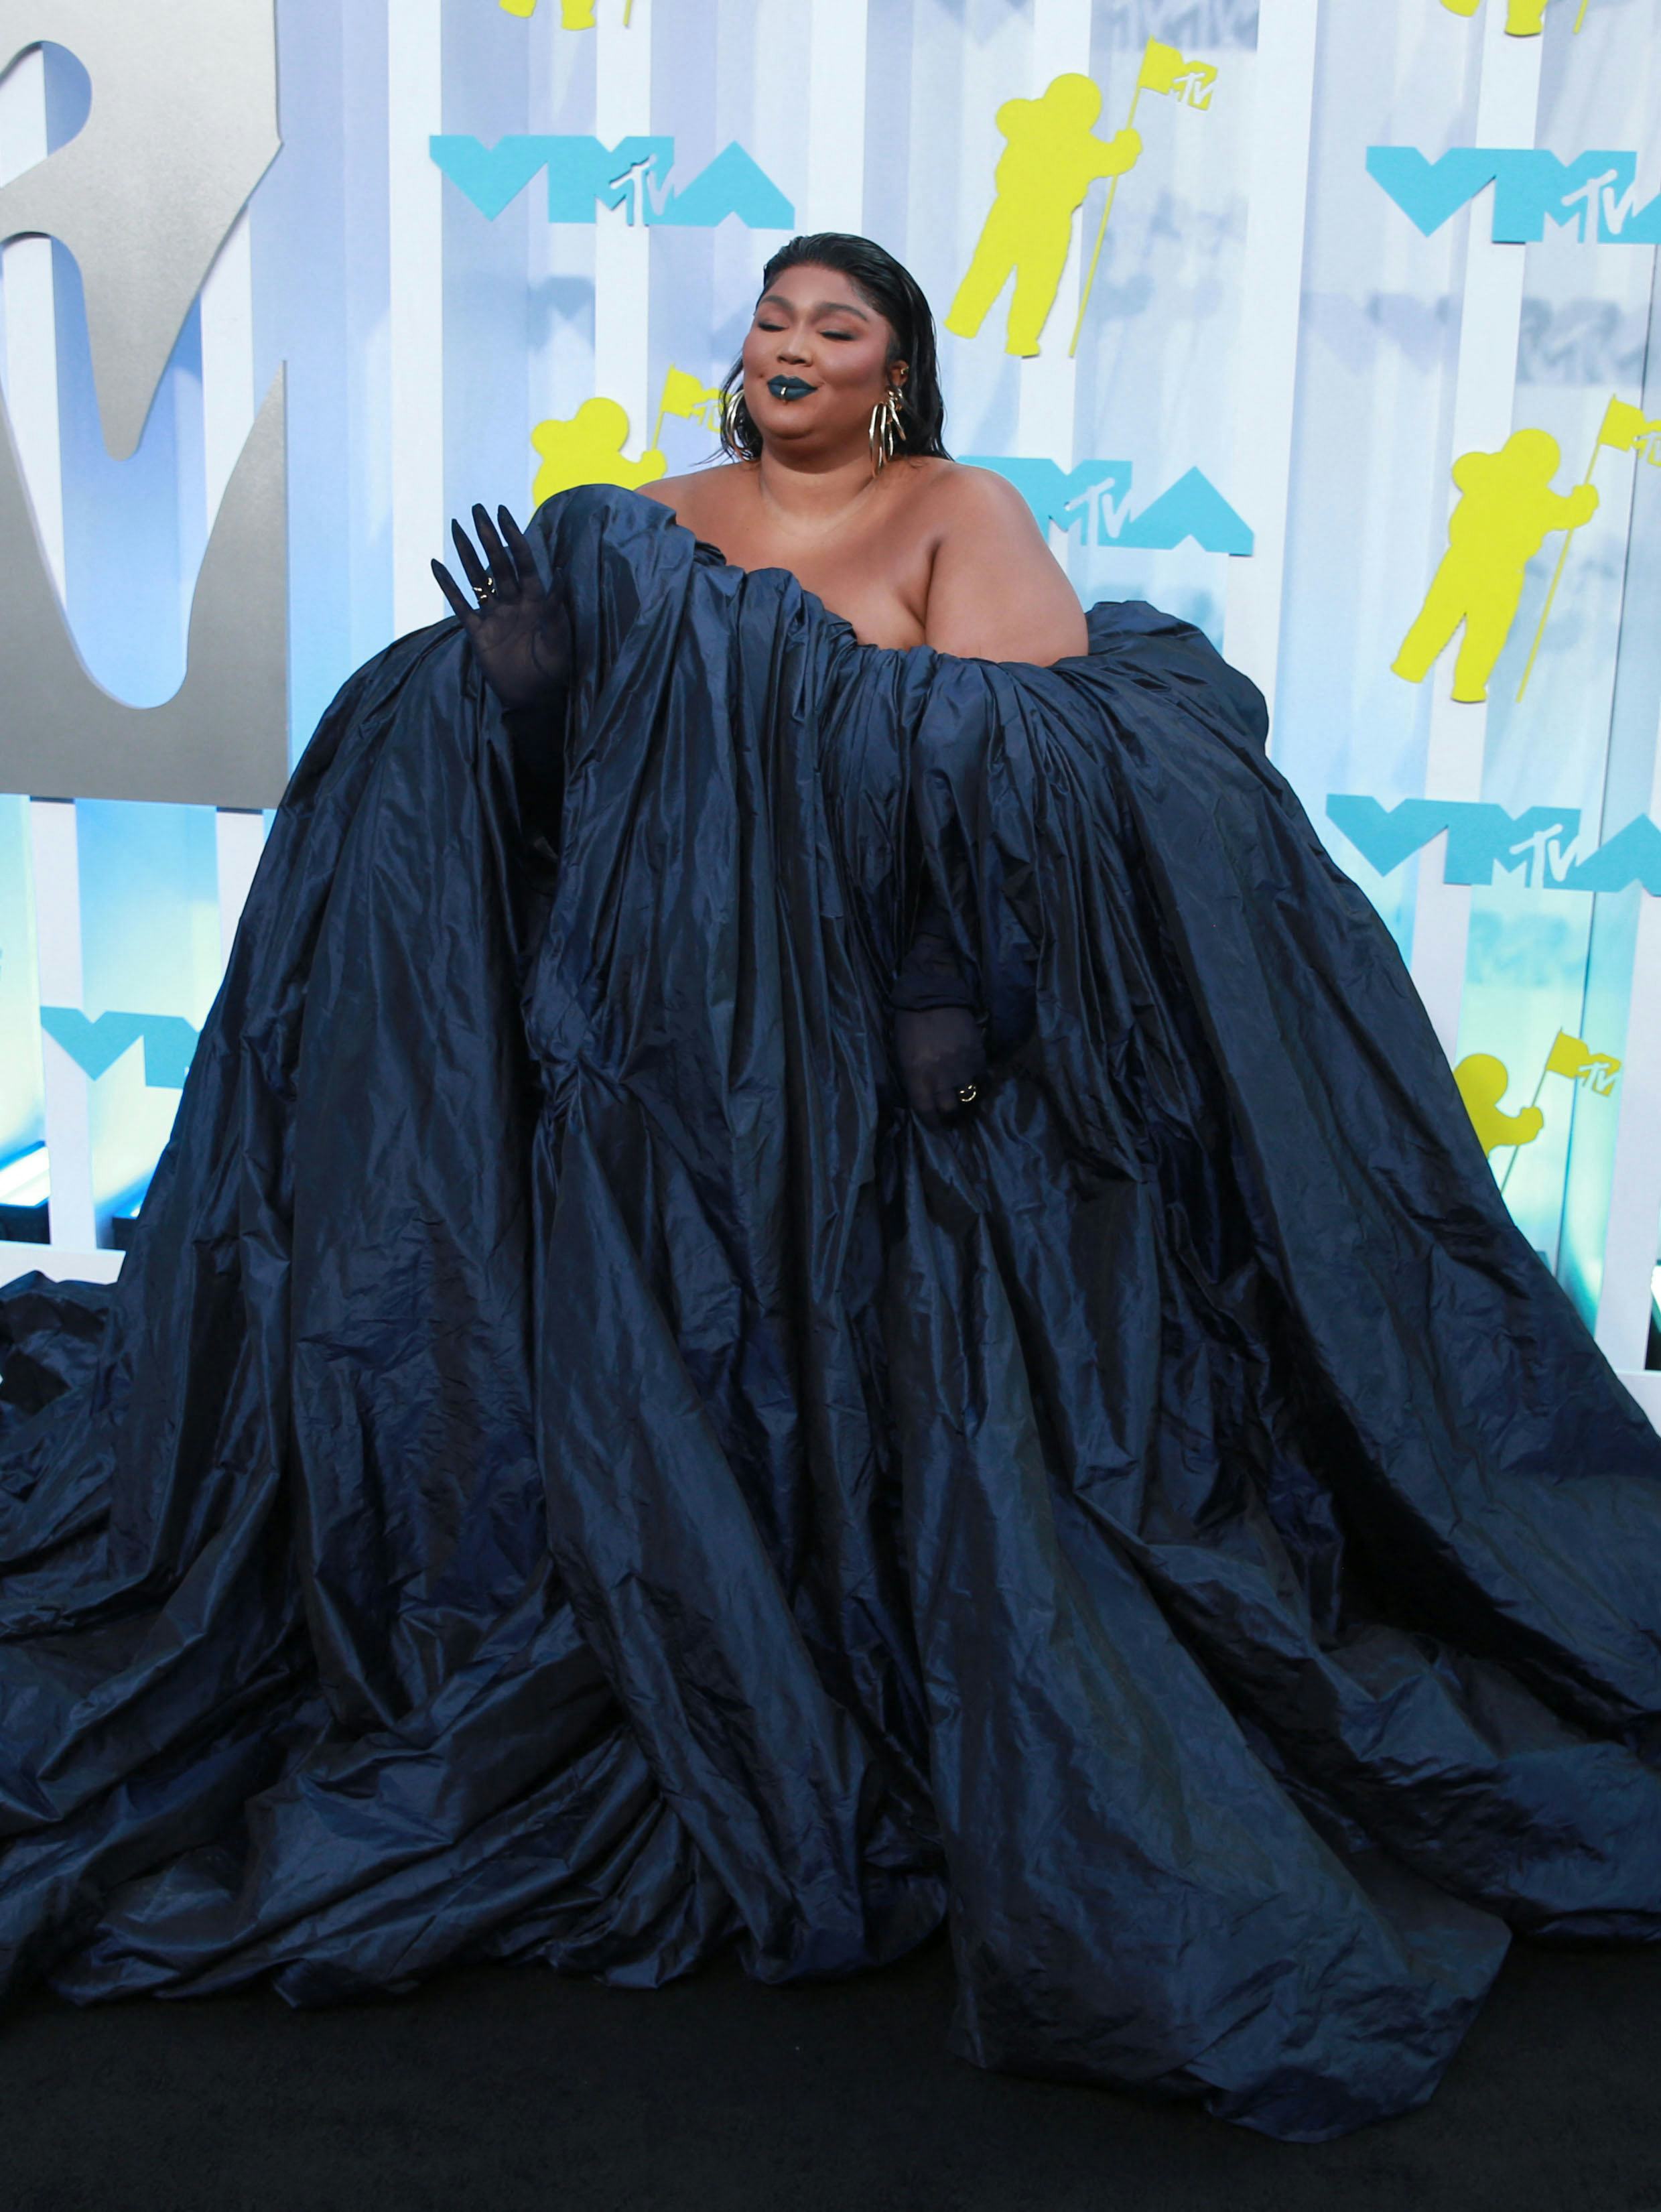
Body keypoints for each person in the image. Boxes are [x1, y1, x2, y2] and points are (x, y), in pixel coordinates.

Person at [4, 234, 1661, 2148]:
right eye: (775, 317)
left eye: (836, 325)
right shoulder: (653, 517)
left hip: (884, 1057)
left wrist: (941, 991)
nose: (790, 344)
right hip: (658, 1065)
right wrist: (522, 700)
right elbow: (572, 810)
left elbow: (1039, 781)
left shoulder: (955, 517)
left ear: (894, 372)